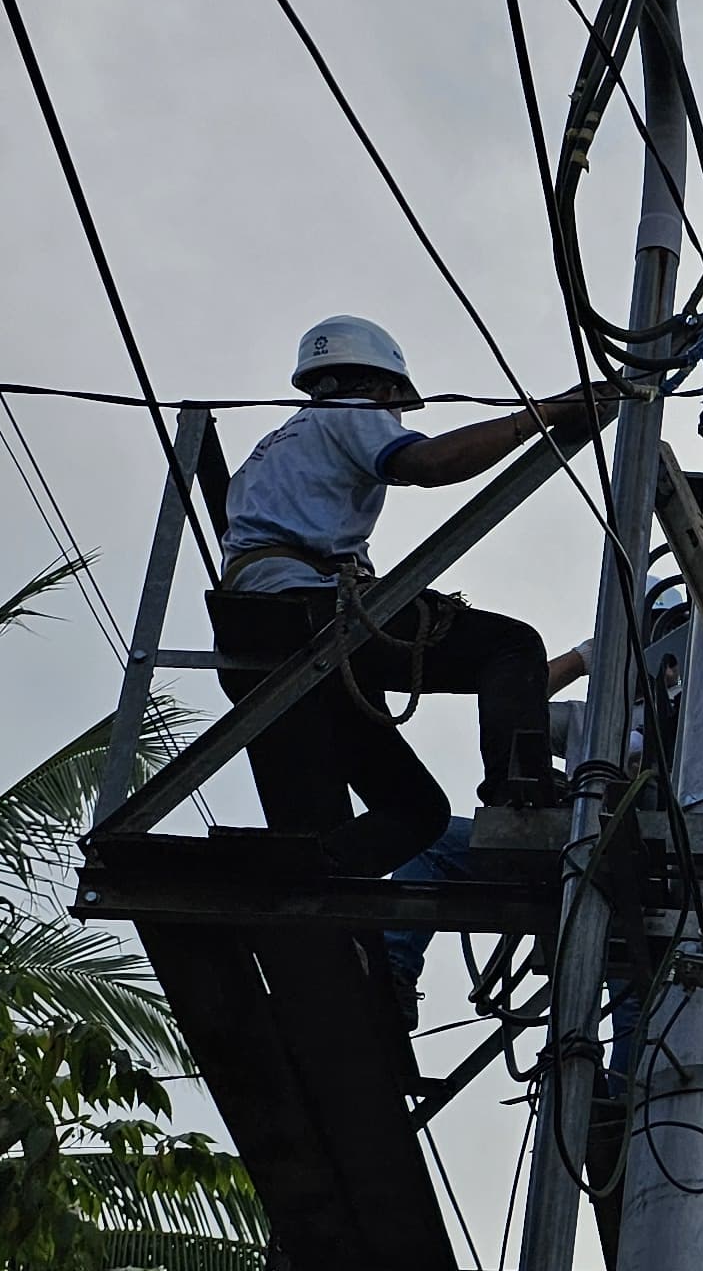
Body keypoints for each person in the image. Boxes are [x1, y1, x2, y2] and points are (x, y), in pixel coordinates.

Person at [209, 314, 608, 878]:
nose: (394, 416)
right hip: (313, 611)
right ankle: (521, 801)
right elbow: (428, 463)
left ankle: (314, 873)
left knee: (417, 812)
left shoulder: (270, 449)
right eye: (396, 404)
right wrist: (547, 414)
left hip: (277, 627)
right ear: (381, 385)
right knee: (512, 646)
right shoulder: (350, 411)